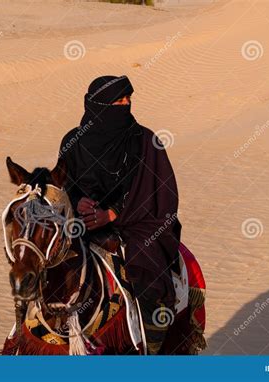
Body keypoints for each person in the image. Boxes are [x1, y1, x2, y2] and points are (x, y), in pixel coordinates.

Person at [58, 75, 182, 354]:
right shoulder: (73, 141)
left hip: (138, 219)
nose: (125, 105)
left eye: (127, 99)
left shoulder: (146, 140)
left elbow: (159, 191)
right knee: (47, 259)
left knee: (144, 258)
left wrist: (113, 214)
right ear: (98, 106)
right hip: (81, 221)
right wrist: (77, 202)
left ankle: (155, 343)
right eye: (118, 100)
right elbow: (64, 182)